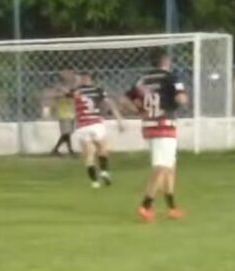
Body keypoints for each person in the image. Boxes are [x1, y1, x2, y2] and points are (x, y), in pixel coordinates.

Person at [127, 51, 189, 221]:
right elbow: (181, 98)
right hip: (165, 125)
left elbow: (129, 97)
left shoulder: (143, 80)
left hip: (149, 126)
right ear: (165, 61)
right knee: (161, 167)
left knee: (169, 166)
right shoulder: (171, 77)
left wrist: (141, 109)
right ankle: (146, 205)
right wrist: (182, 99)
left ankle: (172, 207)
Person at [69, 71, 124, 188]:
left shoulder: (76, 91)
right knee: (103, 148)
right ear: (91, 79)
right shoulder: (98, 90)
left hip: (82, 125)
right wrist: (119, 120)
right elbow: (110, 104)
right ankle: (104, 172)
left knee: (89, 154)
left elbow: (67, 95)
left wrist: (75, 83)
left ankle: (94, 182)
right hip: (95, 123)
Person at [50, 70, 78, 157]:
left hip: (71, 111)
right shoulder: (59, 87)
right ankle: (68, 150)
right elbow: (55, 96)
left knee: (68, 133)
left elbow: (74, 95)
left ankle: (57, 150)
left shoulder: (72, 86)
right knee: (66, 132)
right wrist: (64, 94)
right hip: (63, 112)